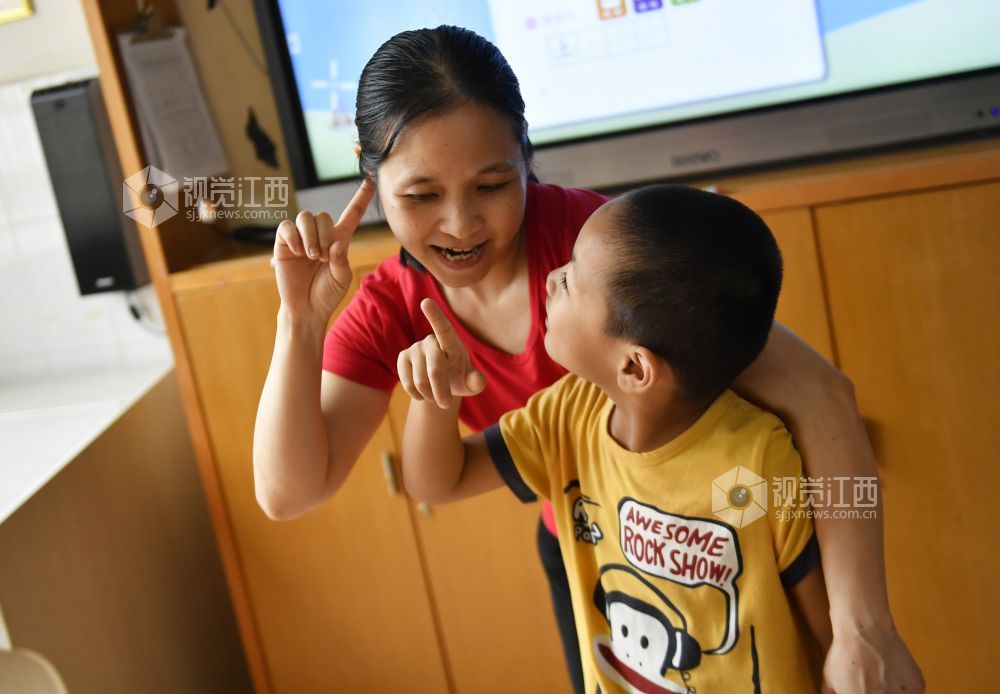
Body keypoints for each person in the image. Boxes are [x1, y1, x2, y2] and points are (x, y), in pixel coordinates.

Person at [253, 25, 923, 693]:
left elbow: (823, 395)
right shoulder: (392, 309)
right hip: (588, 550)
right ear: (370, 174)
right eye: (422, 195)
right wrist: (300, 321)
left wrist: (863, 627)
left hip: (728, 538)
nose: (461, 224)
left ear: (524, 152)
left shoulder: (602, 254)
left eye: (492, 184)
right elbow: (290, 493)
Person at [397, 183, 834, 692]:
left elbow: (829, 632)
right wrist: (437, 395)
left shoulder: (755, 458)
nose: (552, 277)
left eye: (571, 279)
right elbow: (437, 482)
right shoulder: (566, 416)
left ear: (633, 367)